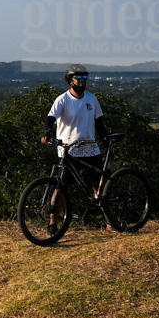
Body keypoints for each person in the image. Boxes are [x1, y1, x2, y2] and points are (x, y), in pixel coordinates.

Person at [42, 63, 112, 226]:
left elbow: (99, 123)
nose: (82, 81)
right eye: (78, 78)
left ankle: (110, 222)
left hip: (91, 148)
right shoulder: (63, 99)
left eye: (84, 77)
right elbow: (50, 118)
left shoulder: (91, 99)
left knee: (98, 187)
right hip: (69, 150)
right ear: (70, 80)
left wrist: (106, 142)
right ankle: (53, 223)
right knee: (62, 187)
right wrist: (47, 131)